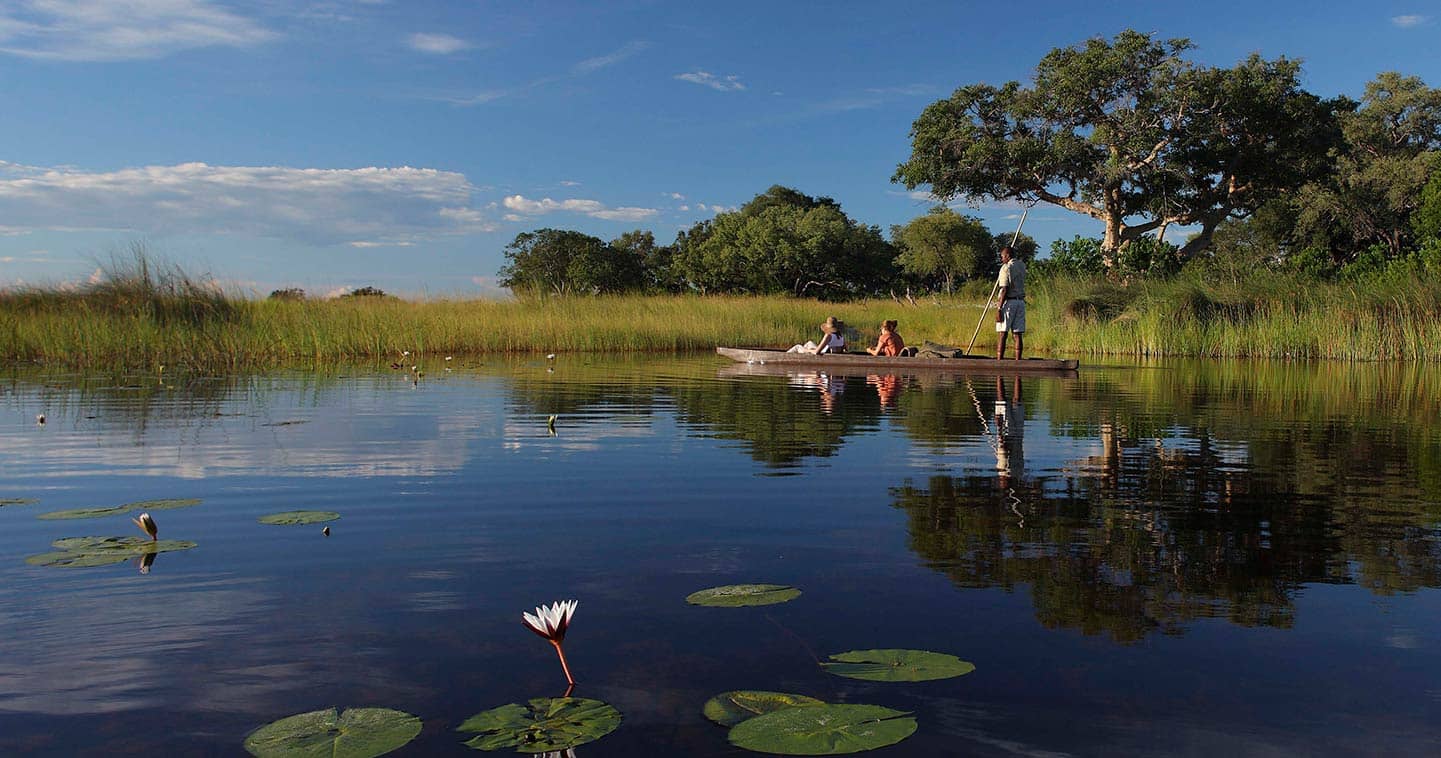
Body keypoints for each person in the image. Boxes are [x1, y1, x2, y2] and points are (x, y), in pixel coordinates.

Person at [994, 246, 1026, 360]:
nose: (1001, 259)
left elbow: (1004, 289)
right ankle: (1018, 361)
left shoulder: (1005, 268)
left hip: (1009, 303)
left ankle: (999, 361)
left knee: (1002, 333)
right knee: (1017, 334)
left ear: (1007, 256)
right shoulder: (1022, 265)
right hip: (1020, 302)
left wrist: (999, 308)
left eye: (1002, 256)